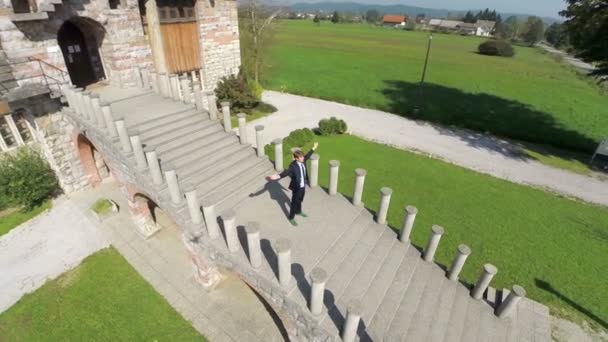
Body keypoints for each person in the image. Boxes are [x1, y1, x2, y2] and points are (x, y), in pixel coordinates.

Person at [267, 142, 319, 226]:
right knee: (294, 203)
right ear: (296, 159)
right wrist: (277, 176)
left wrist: (314, 148)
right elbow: (286, 172)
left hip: (303, 186)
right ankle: (291, 217)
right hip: (297, 187)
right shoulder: (293, 166)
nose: (303, 158)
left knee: (300, 200)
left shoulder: (303, 160)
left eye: (302, 156)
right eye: (301, 157)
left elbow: (308, 155)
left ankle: (298, 211)